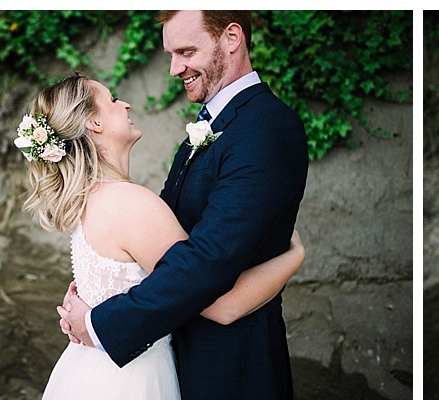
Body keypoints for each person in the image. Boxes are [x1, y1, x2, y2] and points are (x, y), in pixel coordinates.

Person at [57, 10, 308, 399]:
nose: (175, 68)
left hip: (232, 369)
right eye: (171, 54)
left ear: (231, 37)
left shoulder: (265, 128)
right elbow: (165, 246)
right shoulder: (209, 128)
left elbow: (206, 263)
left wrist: (100, 323)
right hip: (178, 360)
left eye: (186, 51)